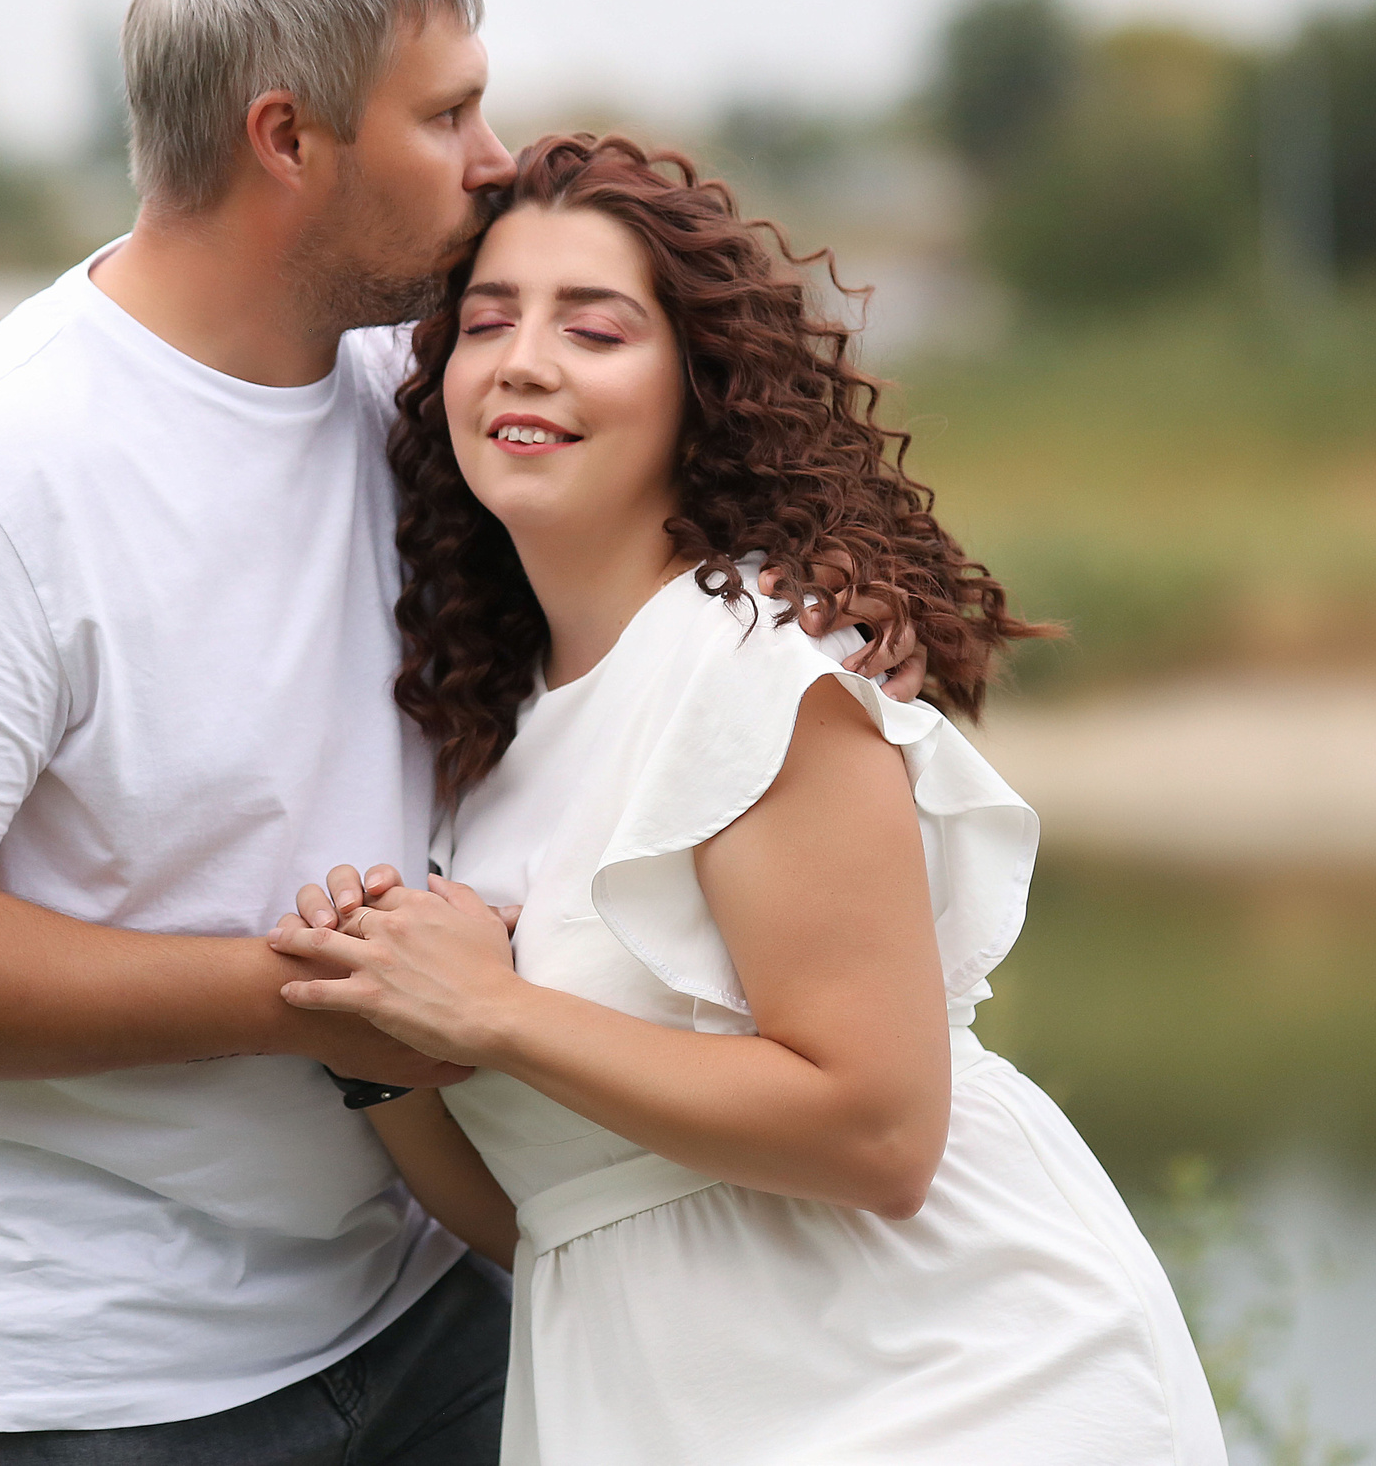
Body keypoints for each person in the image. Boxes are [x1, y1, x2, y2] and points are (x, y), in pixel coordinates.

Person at [0, 0, 916, 1462]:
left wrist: (826, 588)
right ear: (288, 140)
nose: (494, 159)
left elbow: (657, 502)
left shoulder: (403, 383)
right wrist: (307, 1005)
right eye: (449, 115)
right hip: (87, 1383)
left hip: (426, 1303)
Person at [272, 134, 1228, 1466]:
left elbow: (880, 1132)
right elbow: (563, 1207)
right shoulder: (492, 744)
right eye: (487, 323)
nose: (526, 359)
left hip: (949, 1396)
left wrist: (495, 1009)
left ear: (696, 390)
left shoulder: (754, 671)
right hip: (662, 1406)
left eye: (594, 330)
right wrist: (387, 1062)